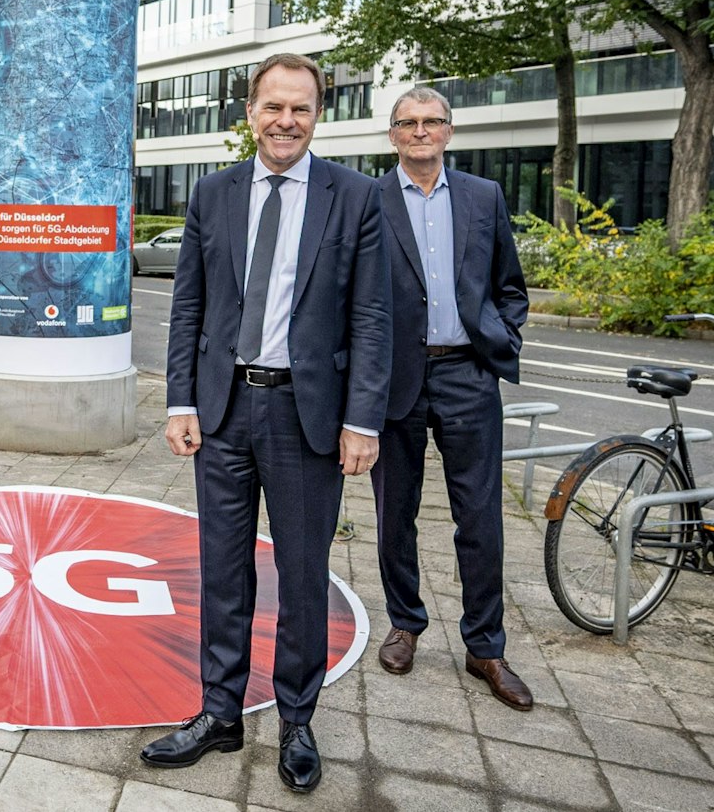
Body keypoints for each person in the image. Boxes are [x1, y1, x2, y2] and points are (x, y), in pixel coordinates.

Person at [140, 53, 391, 793]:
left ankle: (297, 719)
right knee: (221, 570)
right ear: (248, 111)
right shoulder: (213, 194)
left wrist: (363, 419)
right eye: (273, 106)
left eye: (301, 108)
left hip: (307, 415)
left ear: (320, 115)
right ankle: (220, 712)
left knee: (305, 575)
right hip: (221, 412)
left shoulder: (357, 198)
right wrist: (180, 401)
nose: (286, 120)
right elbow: (190, 305)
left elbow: (373, 317)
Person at [370, 87, 534, 710]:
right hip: (395, 382)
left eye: (431, 122)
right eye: (408, 123)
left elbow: (509, 284)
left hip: (468, 375)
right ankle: (406, 622)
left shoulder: (482, 197)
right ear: (393, 135)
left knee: (481, 518)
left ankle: (485, 646)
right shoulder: (370, 199)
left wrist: (503, 333)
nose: (420, 132)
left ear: (449, 130)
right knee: (394, 515)